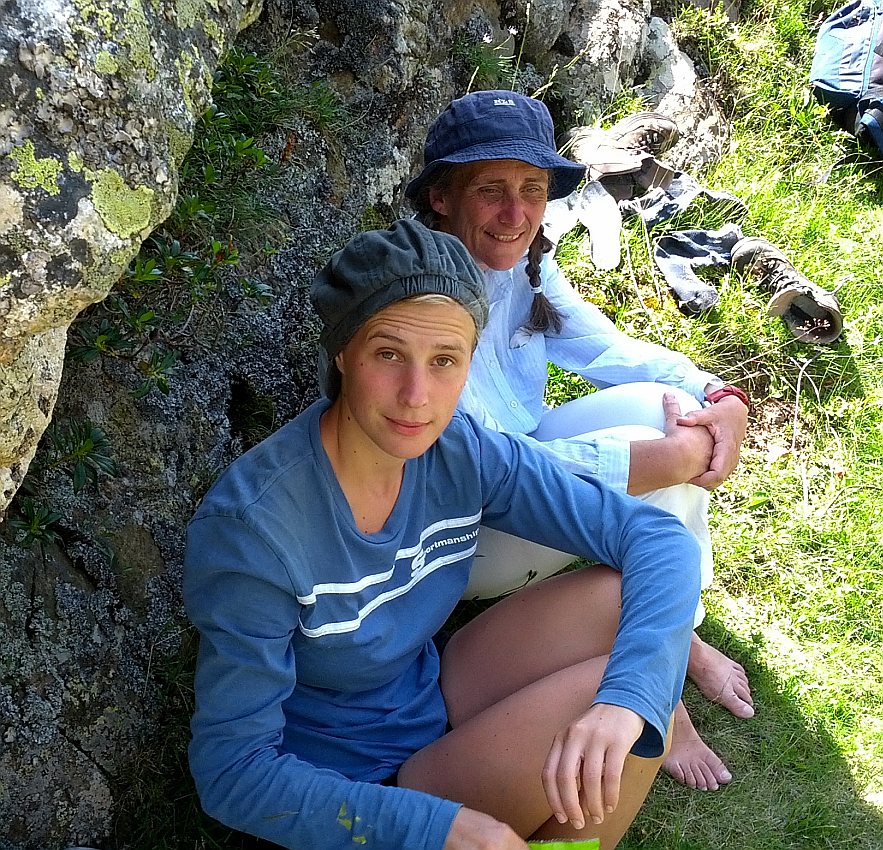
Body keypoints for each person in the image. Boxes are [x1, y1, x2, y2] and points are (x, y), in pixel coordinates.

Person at [184, 219, 701, 850]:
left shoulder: (459, 449)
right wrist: (438, 828)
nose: (416, 396)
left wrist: (629, 699)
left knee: (633, 665)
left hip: (430, 691)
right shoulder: (255, 529)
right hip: (354, 790)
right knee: (634, 691)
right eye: (389, 354)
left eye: (445, 361)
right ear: (343, 353)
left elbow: (658, 540)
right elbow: (232, 773)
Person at [405, 90, 753, 792]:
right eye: (491, 190)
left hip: (520, 473)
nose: (516, 213)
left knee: (672, 409)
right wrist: (663, 460)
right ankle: (663, 684)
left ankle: (670, 637)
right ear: (441, 197)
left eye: (532, 190)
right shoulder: (420, 297)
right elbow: (489, 471)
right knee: (657, 449)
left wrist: (720, 397)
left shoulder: (521, 266)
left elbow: (610, 349)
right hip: (460, 533)